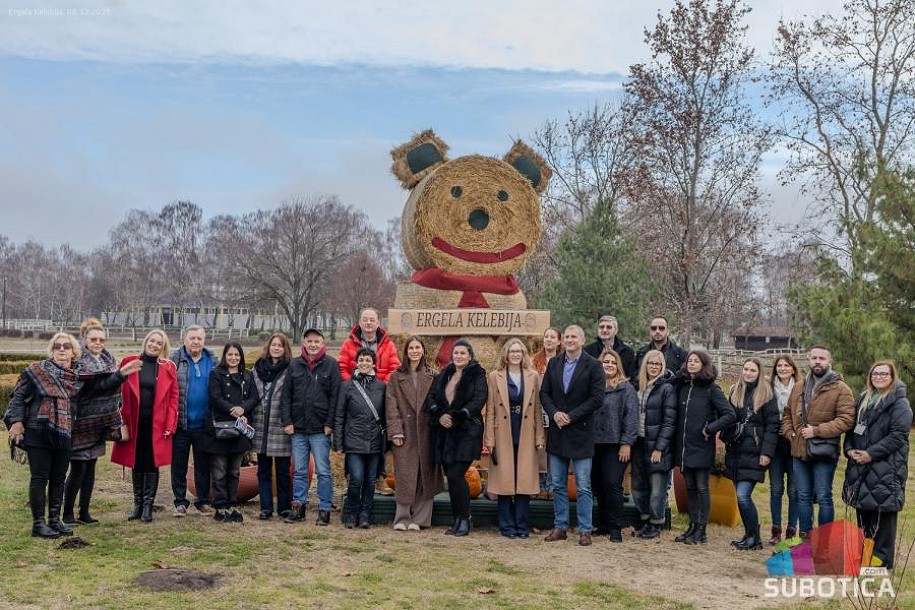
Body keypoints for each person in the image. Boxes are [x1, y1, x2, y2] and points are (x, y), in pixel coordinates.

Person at [5, 333, 140, 538]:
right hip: (37, 431)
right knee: (40, 478)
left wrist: (120, 374)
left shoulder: (79, 376)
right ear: (51, 351)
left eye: (66, 346)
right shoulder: (36, 371)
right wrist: (16, 422)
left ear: (73, 352)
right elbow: (18, 397)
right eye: (57, 346)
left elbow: (101, 386)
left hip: (65, 432)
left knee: (59, 478)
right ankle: (38, 524)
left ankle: (54, 520)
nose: (61, 349)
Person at [843, 361, 912, 570]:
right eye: (875, 373)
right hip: (860, 467)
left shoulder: (899, 403)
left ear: (892, 377)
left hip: (885, 468)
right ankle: (866, 560)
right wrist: (849, 449)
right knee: (864, 516)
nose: (879, 377)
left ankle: (881, 566)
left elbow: (898, 436)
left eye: (884, 373)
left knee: (882, 520)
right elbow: (852, 429)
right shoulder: (863, 398)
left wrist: (870, 454)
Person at [540, 325, 605, 546]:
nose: (569, 340)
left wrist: (571, 416)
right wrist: (555, 413)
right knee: (557, 483)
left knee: (583, 485)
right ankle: (561, 527)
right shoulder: (554, 364)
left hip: (580, 432)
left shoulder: (594, 365)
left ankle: (585, 529)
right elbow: (544, 393)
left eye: (573, 336)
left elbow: (597, 398)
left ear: (582, 340)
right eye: (566, 336)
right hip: (557, 432)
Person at [781, 346, 855, 537]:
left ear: (830, 361)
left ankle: (824, 540)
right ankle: (805, 537)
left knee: (823, 496)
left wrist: (817, 431)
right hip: (799, 450)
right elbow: (788, 412)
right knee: (802, 496)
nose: (817, 361)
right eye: (814, 357)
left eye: (822, 358)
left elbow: (846, 420)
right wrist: (790, 432)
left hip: (824, 451)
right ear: (808, 360)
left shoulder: (841, 388)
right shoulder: (799, 385)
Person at [111, 329, 179, 523]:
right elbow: (116, 390)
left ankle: (148, 506)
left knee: (151, 463)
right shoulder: (129, 362)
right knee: (137, 462)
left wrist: (170, 424)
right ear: (146, 341)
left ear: (163, 347)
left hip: (156, 424)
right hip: (134, 422)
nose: (154, 345)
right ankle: (137, 504)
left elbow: (174, 398)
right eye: (152, 341)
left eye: (159, 343)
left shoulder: (168, 367)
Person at [671, 350, 736, 545]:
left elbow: (729, 414)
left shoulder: (711, 389)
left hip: (701, 445)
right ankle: (692, 526)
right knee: (690, 487)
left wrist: (710, 429)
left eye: (696, 361)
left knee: (701, 487)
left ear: (704, 364)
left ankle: (702, 529)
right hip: (683, 446)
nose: (691, 363)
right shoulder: (682, 386)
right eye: (689, 360)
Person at [62, 318, 122, 525]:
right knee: (78, 469)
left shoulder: (109, 359)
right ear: (85, 339)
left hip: (100, 424)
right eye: (94, 339)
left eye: (101, 340)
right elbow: (93, 387)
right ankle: (67, 513)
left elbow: (112, 388)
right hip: (80, 424)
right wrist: (119, 377)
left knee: (90, 470)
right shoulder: (79, 361)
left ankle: (84, 512)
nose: (98, 343)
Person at [484, 338, 544, 539]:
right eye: (512, 351)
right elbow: (491, 408)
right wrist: (489, 439)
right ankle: (507, 526)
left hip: (525, 430)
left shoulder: (533, 376)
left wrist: (539, 436)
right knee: (504, 480)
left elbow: (537, 408)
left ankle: (522, 525)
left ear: (524, 354)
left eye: (519, 351)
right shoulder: (495, 376)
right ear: (506, 354)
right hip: (503, 431)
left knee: (523, 480)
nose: (516, 354)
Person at [337, 308, 401, 496]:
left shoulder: (387, 344)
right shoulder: (349, 343)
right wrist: (352, 385)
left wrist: (381, 386)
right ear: (360, 322)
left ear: (378, 322)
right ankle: (351, 478)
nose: (369, 323)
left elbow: (394, 367)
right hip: (356, 392)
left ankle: (380, 478)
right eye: (365, 320)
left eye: (372, 320)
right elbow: (342, 366)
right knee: (354, 434)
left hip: (379, 392)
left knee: (379, 433)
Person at [281, 328, 341, 526]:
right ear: (304, 343)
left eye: (317, 341)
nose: (313, 344)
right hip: (298, 428)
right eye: (310, 341)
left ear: (322, 343)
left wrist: (330, 423)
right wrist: (287, 421)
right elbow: (286, 396)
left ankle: (324, 509)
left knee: (323, 471)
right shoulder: (294, 365)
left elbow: (335, 398)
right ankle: (299, 506)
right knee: (299, 470)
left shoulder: (331, 365)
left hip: (320, 428)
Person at [428, 338, 487, 537]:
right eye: (456, 353)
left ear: (470, 356)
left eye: (463, 353)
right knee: (451, 478)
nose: (459, 356)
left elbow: (479, 399)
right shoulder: (445, 374)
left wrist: (458, 416)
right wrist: (440, 415)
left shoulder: (477, 374)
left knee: (456, 475)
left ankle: (465, 518)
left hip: (466, 432)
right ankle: (456, 519)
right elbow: (433, 398)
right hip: (445, 434)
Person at [385, 336, 443, 531]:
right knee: (405, 474)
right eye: (411, 348)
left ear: (423, 351)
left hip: (427, 432)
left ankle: (420, 519)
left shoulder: (433, 376)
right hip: (406, 432)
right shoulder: (396, 377)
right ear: (406, 351)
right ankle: (402, 517)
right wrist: (395, 432)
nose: (415, 351)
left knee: (424, 475)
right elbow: (391, 406)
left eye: (418, 348)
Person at [722, 358, 779, 551]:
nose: (748, 373)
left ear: (759, 372)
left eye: (752, 370)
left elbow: (772, 426)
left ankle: (755, 537)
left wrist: (766, 453)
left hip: (755, 452)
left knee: (743, 495)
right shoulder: (735, 392)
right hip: (736, 451)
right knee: (740, 497)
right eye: (745, 369)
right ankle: (749, 535)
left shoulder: (766, 395)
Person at [204, 342, 258, 523]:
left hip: (240, 429)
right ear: (224, 356)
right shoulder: (216, 374)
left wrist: (243, 409)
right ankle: (220, 505)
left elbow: (254, 398)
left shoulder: (247, 376)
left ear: (241, 356)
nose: (233, 358)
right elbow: (215, 397)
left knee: (234, 471)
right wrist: (232, 409)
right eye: (230, 354)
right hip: (220, 427)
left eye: (237, 354)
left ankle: (233, 503)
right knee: (219, 470)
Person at [334, 348, 387, 528]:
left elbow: (386, 415)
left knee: (370, 480)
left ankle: (365, 514)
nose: (364, 363)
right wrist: (339, 442)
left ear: (374, 363)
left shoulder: (381, 386)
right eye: (361, 360)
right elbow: (340, 415)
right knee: (356, 478)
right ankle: (351, 512)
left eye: (368, 360)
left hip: (374, 440)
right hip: (354, 439)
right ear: (356, 362)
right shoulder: (347, 386)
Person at [170, 325, 218, 517]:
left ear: (204, 341)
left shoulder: (213, 361)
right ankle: (180, 502)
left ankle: (203, 501)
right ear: (184, 340)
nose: (196, 342)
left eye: (199, 338)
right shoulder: (175, 360)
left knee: (203, 465)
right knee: (179, 465)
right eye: (192, 338)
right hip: (181, 423)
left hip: (204, 424)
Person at [629, 350, 676, 540]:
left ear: (662, 366)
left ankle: (656, 523)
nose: (654, 367)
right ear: (645, 365)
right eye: (651, 363)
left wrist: (660, 448)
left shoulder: (666, 388)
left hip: (657, 445)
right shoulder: (637, 386)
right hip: (638, 442)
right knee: (638, 486)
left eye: (657, 364)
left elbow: (669, 421)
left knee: (657, 488)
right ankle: (645, 520)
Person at [592, 349, 638, 542]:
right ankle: (602, 524)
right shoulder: (593, 386)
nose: (609, 365)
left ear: (618, 365)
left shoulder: (625, 388)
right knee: (598, 485)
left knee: (612, 484)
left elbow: (632, 417)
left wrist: (626, 443)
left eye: (613, 362)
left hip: (616, 444)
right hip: (593, 443)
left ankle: (615, 527)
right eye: (605, 362)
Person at [251, 332, 293, 520]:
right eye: (273, 344)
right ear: (268, 347)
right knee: (263, 470)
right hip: (261, 424)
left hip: (280, 424)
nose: (276, 348)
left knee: (283, 471)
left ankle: (284, 507)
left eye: (280, 345)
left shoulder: (290, 369)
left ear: (285, 349)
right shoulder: (257, 369)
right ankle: (266, 507)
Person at [767, 355, 801, 544]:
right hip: (776, 442)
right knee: (776, 488)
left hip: (794, 441)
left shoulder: (801, 387)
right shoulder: (769, 388)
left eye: (786, 365)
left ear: (793, 368)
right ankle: (776, 529)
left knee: (794, 490)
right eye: (779, 365)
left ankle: (791, 529)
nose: (783, 368)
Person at [584, 316, 636, 380]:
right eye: (601, 327)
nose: (604, 330)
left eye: (609, 327)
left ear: (616, 330)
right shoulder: (588, 351)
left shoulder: (627, 352)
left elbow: (630, 377)